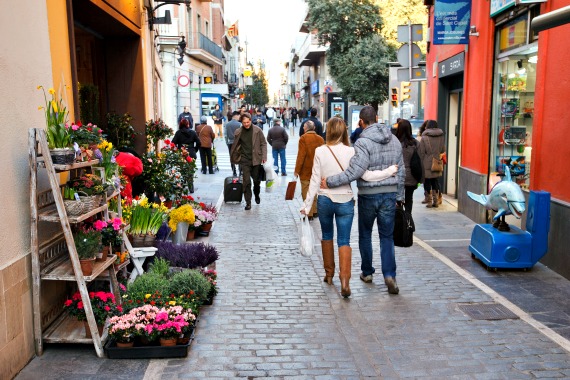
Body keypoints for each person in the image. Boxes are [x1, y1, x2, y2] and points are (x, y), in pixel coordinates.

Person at [301, 117, 398, 298]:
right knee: (344, 240)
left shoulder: (320, 151)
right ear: (344, 131)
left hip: (324, 200)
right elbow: (366, 175)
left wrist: (307, 206)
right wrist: (390, 171)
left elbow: (314, 180)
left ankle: (329, 274)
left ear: (328, 131)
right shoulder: (352, 151)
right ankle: (345, 281)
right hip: (345, 200)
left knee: (327, 235)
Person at [322, 106, 405, 295]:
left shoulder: (362, 142)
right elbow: (401, 170)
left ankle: (367, 272)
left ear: (361, 121)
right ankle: (390, 275)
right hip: (389, 194)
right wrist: (399, 196)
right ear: (377, 118)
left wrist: (330, 182)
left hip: (368, 195)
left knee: (365, 234)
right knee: (387, 236)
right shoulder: (394, 140)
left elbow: (355, 171)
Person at [230, 112, 267, 210]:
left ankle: (257, 194)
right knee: (246, 182)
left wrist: (264, 156)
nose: (246, 124)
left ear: (251, 120)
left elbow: (263, 143)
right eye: (244, 122)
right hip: (245, 160)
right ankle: (248, 202)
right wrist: (235, 157)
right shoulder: (238, 131)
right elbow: (235, 145)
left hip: (256, 160)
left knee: (256, 181)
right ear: (241, 122)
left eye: (248, 122)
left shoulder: (257, 130)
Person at [294, 120, 324, 220]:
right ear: (314, 128)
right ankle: (315, 211)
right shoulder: (320, 139)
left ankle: (309, 213)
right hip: (317, 169)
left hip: (306, 170)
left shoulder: (303, 138)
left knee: (306, 191)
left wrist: (297, 170)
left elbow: (301, 156)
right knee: (315, 190)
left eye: (303, 127)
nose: (303, 128)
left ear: (306, 128)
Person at [396, 119, 421, 213]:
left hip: (398, 174)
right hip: (412, 175)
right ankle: (407, 219)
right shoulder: (415, 143)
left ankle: (399, 219)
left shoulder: (395, 143)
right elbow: (419, 161)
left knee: (398, 199)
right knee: (409, 199)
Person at [418, 119, 445, 208]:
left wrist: (420, 162)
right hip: (437, 161)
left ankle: (429, 201)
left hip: (426, 162)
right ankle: (436, 201)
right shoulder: (441, 136)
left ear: (427, 126)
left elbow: (421, 152)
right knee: (435, 181)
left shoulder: (424, 137)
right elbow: (442, 150)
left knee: (427, 181)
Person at [225, 111, 242, 177]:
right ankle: (240, 171)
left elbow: (225, 135)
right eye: (239, 116)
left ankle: (234, 172)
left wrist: (227, 142)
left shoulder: (227, 124)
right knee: (239, 157)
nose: (239, 117)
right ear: (236, 116)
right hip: (238, 143)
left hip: (230, 143)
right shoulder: (239, 124)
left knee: (232, 157)